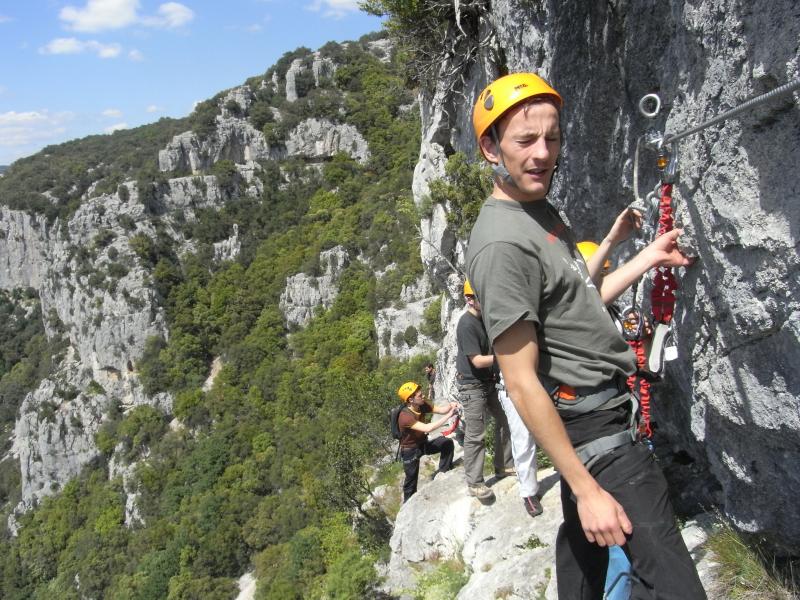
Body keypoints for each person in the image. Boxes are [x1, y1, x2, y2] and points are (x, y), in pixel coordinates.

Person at [466, 72, 706, 599]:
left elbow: (580, 302)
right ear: (490, 148)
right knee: (675, 584)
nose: (542, 153)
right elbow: (520, 380)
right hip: (596, 435)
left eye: (551, 137)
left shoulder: (538, 210)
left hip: (599, 418)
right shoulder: (502, 245)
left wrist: (646, 257)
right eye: (525, 140)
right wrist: (584, 485)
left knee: (584, 563)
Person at [456, 280, 514, 502]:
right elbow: (478, 361)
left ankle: (504, 465)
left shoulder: (483, 319)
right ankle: (475, 483)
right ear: (469, 299)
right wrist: (504, 357)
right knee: (475, 434)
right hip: (472, 385)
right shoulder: (466, 325)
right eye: (480, 295)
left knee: (506, 420)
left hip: (487, 381)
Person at [396, 381, 457, 502]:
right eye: (420, 395)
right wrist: (449, 415)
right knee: (411, 481)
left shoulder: (422, 405)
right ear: (411, 400)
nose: (423, 396)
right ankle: (408, 505)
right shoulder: (405, 416)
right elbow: (428, 428)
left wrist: (452, 405)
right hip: (410, 450)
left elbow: (441, 410)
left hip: (422, 443)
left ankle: (443, 473)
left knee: (447, 444)